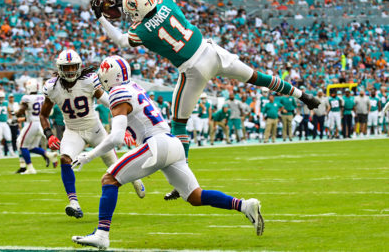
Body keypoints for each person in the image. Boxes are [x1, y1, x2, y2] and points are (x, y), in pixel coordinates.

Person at [91, 0, 320, 200]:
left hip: (193, 70)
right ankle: (303, 95)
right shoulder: (165, 2)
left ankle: (182, 180)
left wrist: (101, 18)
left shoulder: (142, 30)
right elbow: (153, 4)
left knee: (179, 124)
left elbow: (121, 40)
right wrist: (127, 0)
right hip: (212, 52)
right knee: (258, 77)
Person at [71, 56, 264, 249]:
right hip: (172, 143)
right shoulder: (134, 87)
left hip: (156, 144)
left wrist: (89, 155)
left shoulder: (118, 92)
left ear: (108, 75)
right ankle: (244, 205)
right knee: (195, 196)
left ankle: (102, 235)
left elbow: (115, 138)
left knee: (109, 179)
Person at [40, 49, 145, 219]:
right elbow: (43, 115)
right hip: (73, 131)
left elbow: (109, 102)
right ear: (59, 69)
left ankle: (134, 179)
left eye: (73, 67)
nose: (70, 71)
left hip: (95, 130)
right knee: (65, 159)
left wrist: (125, 125)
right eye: (66, 68)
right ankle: (74, 203)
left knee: (114, 166)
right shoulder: (52, 87)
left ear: (79, 67)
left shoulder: (88, 81)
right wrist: (49, 135)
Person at [15, 79, 57, 174]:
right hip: (42, 123)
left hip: (32, 123)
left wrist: (16, 113)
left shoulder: (27, 98)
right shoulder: (42, 97)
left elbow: (22, 110)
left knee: (21, 145)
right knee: (31, 147)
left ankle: (29, 168)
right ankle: (48, 154)